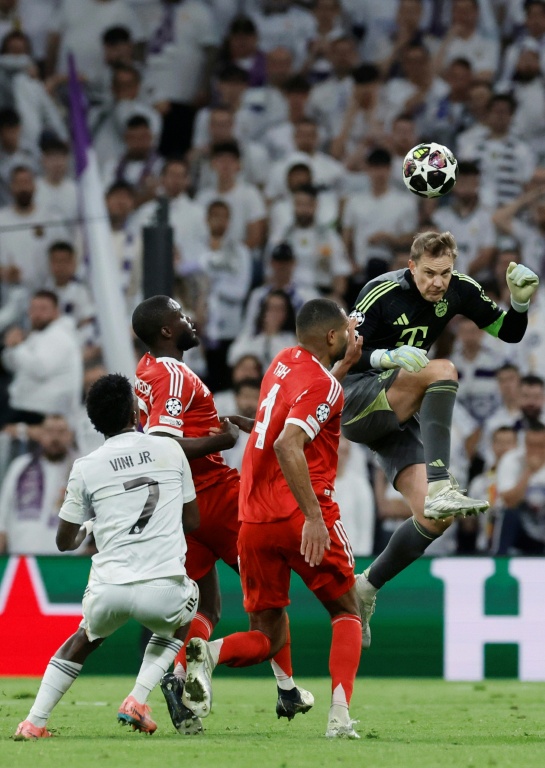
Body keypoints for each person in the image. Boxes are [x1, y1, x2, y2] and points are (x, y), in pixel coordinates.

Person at [340, 231, 539, 648]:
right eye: (429, 273)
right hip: (357, 401)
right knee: (443, 369)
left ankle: (365, 587)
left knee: (434, 519)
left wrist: (520, 304)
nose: (438, 282)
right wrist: (385, 357)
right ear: (412, 267)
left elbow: (509, 333)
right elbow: (340, 353)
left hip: (397, 413)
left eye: (445, 273)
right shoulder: (381, 292)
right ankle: (440, 482)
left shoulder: (460, 289)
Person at [181, 299, 364, 739]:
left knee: (267, 636)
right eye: (346, 331)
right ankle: (339, 718)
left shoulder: (281, 363)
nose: (351, 335)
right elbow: (288, 442)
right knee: (347, 611)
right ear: (332, 337)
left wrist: (343, 368)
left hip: (253, 520)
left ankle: (210, 653)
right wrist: (314, 517)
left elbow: (309, 403)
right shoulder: (324, 385)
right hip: (301, 512)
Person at [131, 295, 309, 735]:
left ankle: (176, 676)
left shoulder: (146, 370)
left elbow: (171, 429)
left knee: (208, 604)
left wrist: (220, 423)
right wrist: (221, 441)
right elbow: (162, 444)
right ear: (166, 330)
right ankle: (280, 686)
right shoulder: (174, 373)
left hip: (183, 509)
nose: (190, 319)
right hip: (218, 498)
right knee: (269, 600)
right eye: (180, 315)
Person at [13, 373, 200, 739]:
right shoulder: (170, 450)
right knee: (188, 608)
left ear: (95, 423)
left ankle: (33, 722)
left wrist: (91, 526)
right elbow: (192, 521)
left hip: (108, 588)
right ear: (135, 412)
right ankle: (137, 698)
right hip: (163, 586)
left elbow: (64, 542)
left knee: (83, 639)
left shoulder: (86, 466)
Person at [0, 414, 76, 555]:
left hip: (69, 559)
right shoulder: (21, 466)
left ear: (70, 436)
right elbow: (3, 508)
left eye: (61, 432)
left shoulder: (81, 469)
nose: (55, 438)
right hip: (22, 554)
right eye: (49, 431)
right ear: (40, 434)